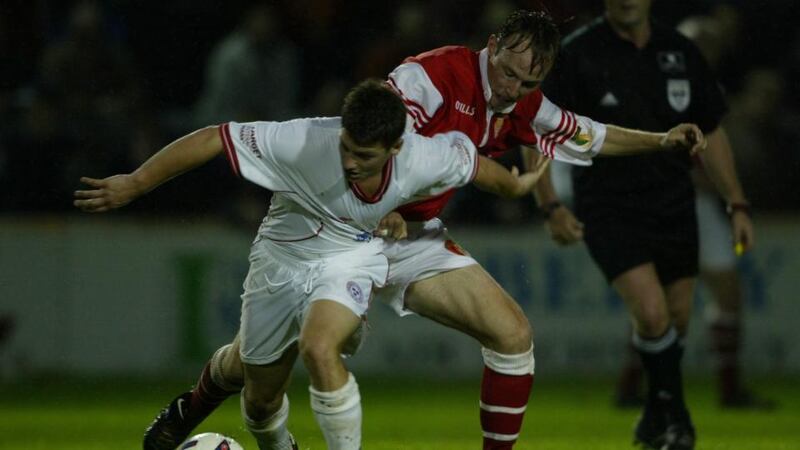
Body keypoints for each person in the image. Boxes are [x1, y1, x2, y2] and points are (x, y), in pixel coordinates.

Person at [141, 10, 707, 450]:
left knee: (512, 335)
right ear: (492, 47)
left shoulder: (523, 104)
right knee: (257, 382)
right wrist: (391, 197)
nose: (511, 87)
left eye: (528, 79)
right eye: (507, 71)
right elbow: (386, 124)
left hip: (413, 240)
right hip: (340, 231)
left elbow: (587, 135)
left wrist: (661, 140)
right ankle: (190, 409)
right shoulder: (432, 73)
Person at [75, 79, 546, 450]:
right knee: (258, 401)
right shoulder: (302, 140)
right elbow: (213, 139)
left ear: (396, 148)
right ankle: (202, 405)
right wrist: (136, 183)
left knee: (319, 348)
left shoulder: (423, 155)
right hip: (281, 260)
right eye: (345, 146)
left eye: (363, 155)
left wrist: (518, 187)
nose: (349, 161)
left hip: (350, 259)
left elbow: (476, 167)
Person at [533, 1, 753, 448]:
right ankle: (678, 419)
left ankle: (652, 417)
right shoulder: (578, 54)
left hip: (673, 202)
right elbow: (536, 127)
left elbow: (710, 130)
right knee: (652, 314)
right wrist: (550, 204)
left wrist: (737, 203)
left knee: (675, 319)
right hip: (608, 204)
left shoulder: (681, 50)